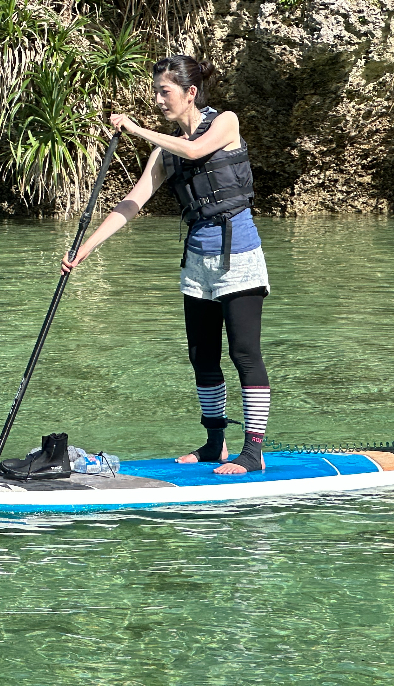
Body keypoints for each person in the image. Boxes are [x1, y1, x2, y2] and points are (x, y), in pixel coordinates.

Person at [61, 55, 271, 474]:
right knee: (202, 356)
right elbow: (133, 201)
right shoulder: (164, 153)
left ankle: (253, 451)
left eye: (165, 91)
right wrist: (87, 246)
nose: (158, 99)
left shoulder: (225, 122)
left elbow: (194, 149)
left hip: (240, 256)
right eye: (156, 92)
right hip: (197, 261)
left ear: (190, 93)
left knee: (244, 353)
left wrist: (136, 129)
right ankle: (215, 444)